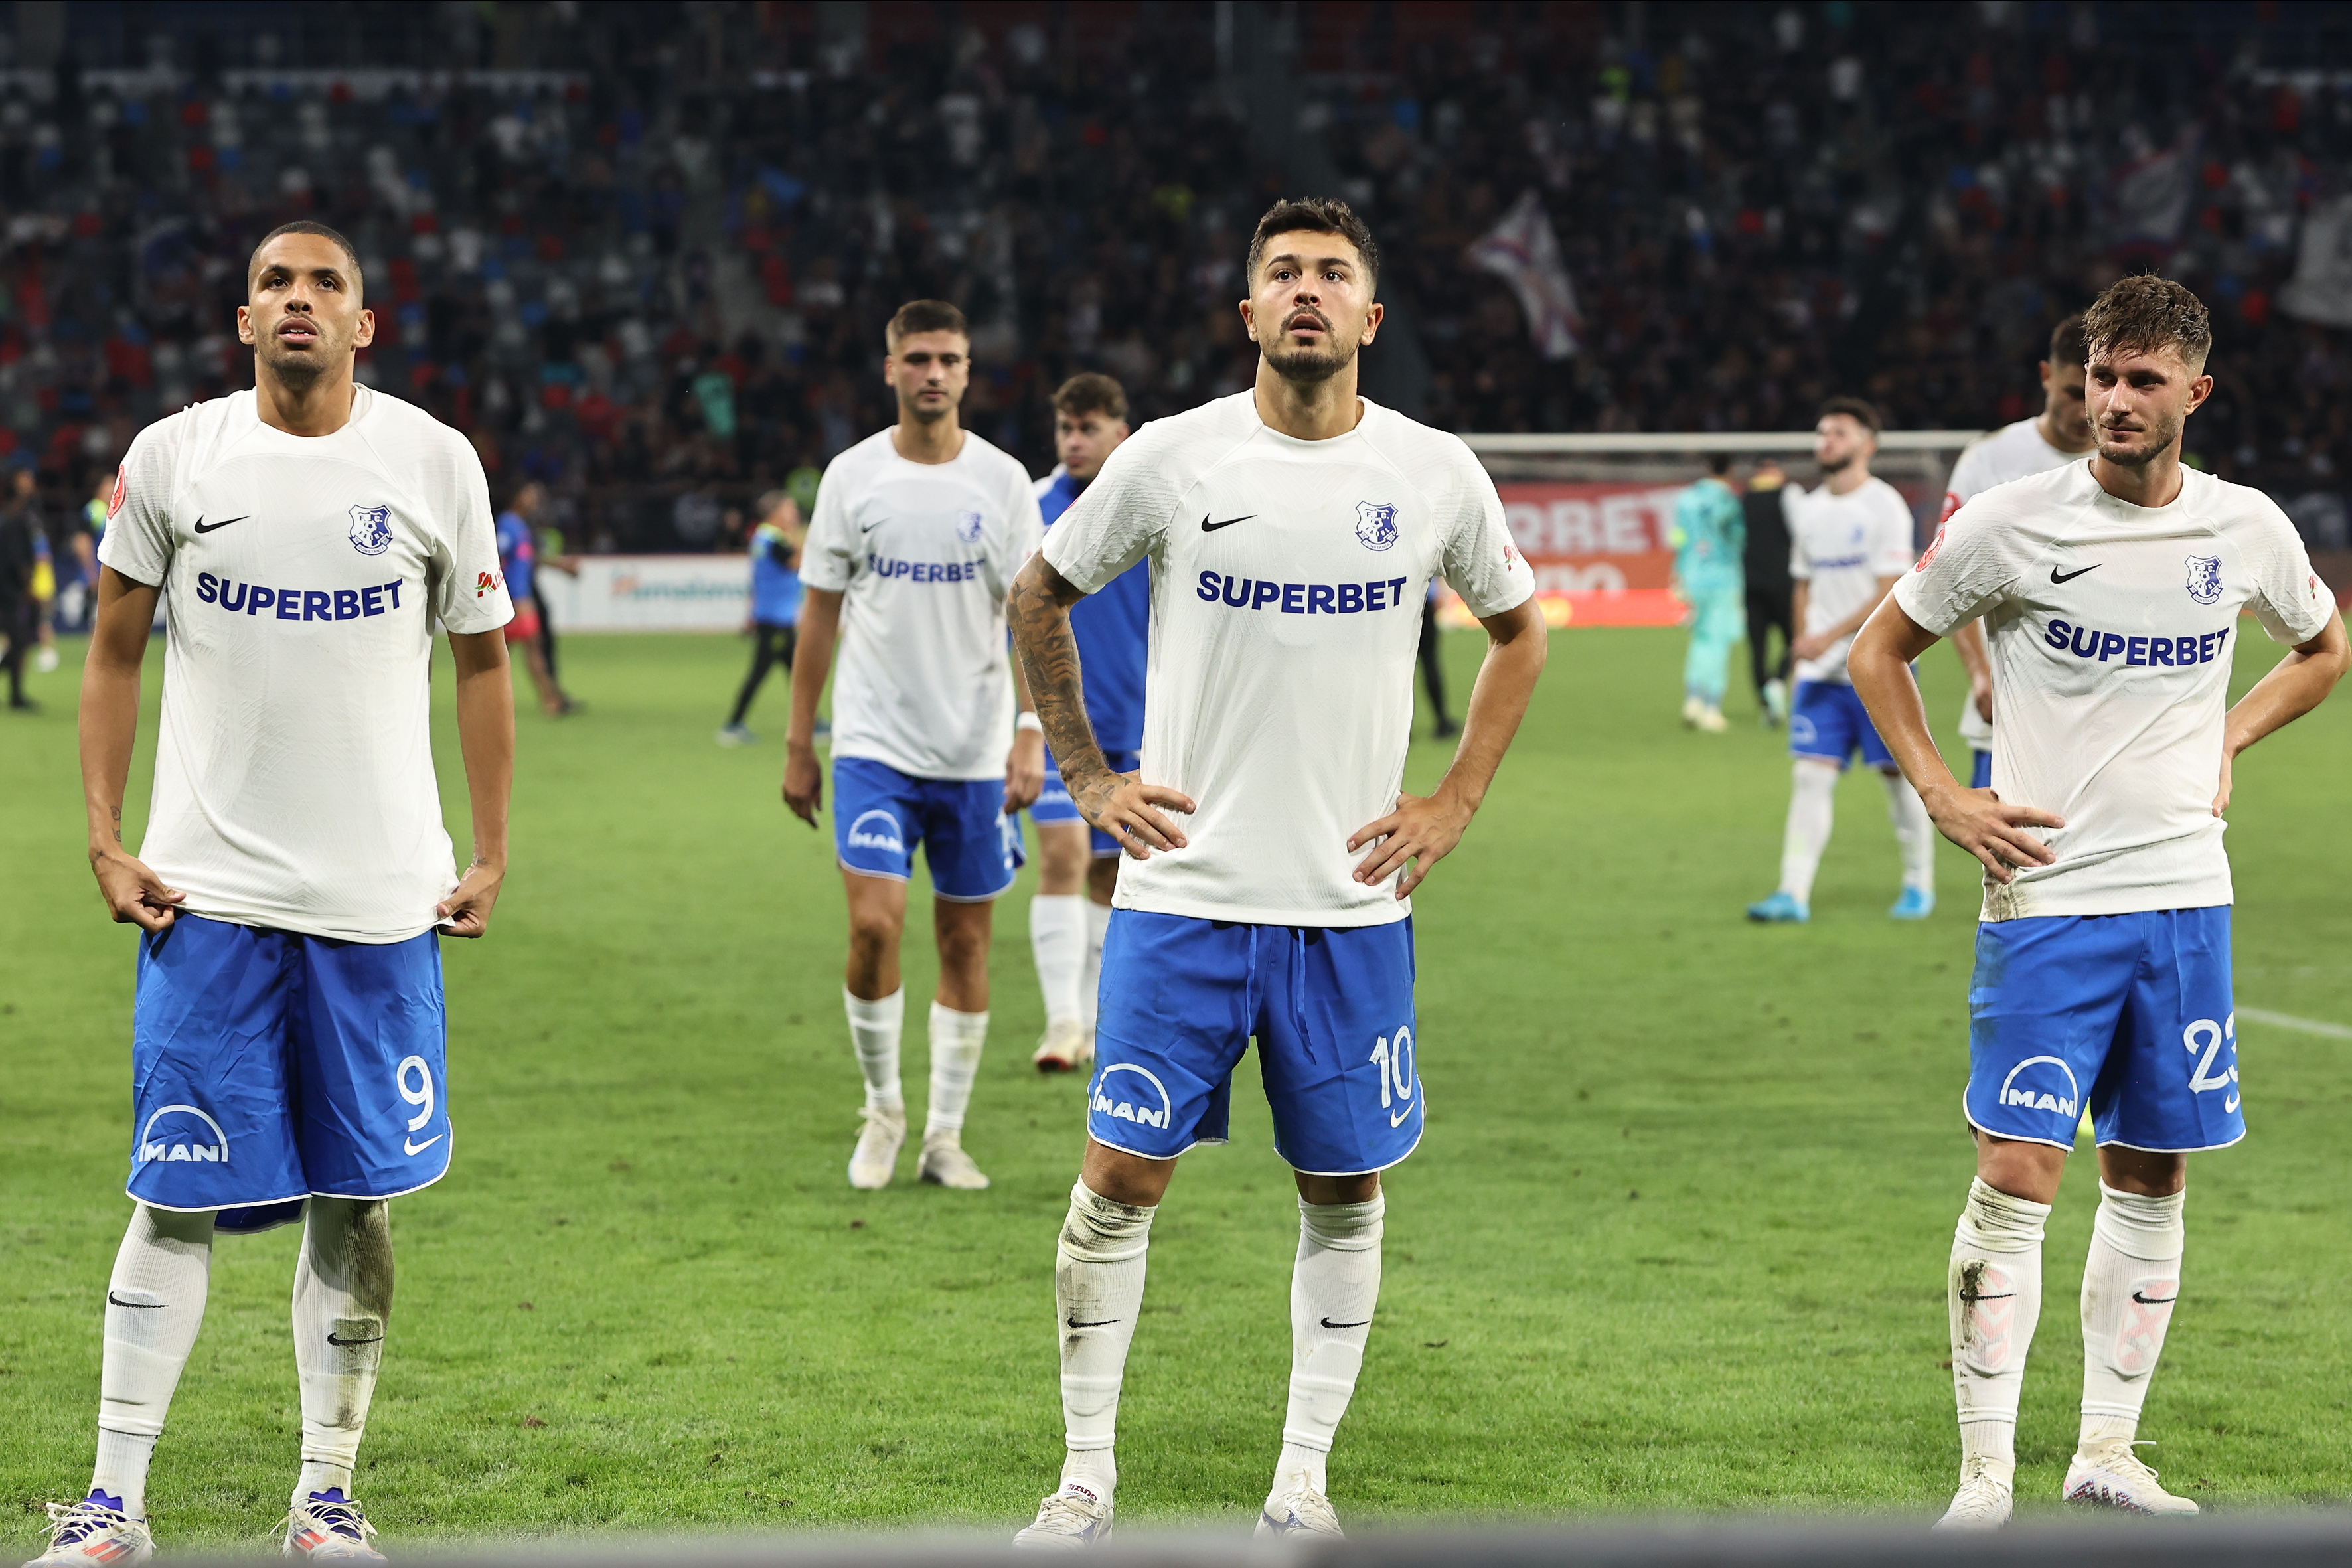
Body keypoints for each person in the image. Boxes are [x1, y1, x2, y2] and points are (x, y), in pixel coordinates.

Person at [1003, 196, 1545, 1547]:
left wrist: (1454, 799)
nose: (1305, 292)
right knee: (1116, 1182)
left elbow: (1521, 633)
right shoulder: (1173, 456)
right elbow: (1039, 594)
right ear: (1246, 313)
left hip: (1348, 906)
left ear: (1370, 318)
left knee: (1344, 1187)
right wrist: (1084, 774)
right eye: (1281, 275)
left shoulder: (1432, 473)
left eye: (1331, 276)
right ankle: (1082, 1476)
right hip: (1183, 894)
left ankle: (1301, 1476)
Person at [32, 220, 515, 1567]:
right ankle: (112, 1501)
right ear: (243, 320)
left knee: (354, 1200)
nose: (298, 300)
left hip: (378, 902)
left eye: (325, 285)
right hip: (208, 895)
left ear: (365, 323)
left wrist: (487, 849)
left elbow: (483, 661)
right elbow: (113, 648)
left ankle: (325, 1494)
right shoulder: (176, 456)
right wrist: (102, 832)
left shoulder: (434, 461)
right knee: (171, 1191)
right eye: (273, 284)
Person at [1849, 274, 2346, 1530]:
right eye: (2097, 379)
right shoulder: (2012, 523)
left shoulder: (2242, 528)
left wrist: (2230, 735)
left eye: (2139, 380)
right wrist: (1942, 797)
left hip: (2185, 898)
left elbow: (2322, 644)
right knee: (2017, 1171)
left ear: (2194, 389)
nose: (2112, 401)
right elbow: (1876, 652)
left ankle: (2106, 1453)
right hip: (2048, 900)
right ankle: (1980, 1479)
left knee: (2150, 1177)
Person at [781, 299, 1046, 1193]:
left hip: (972, 752)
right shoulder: (852, 478)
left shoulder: (1004, 482)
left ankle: (943, 1134)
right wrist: (797, 739)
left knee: (966, 944)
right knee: (871, 925)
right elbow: (817, 612)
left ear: (968, 372)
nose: (933, 373)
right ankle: (882, 1107)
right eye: (918, 358)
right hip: (871, 746)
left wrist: (1027, 731)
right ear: (889, 368)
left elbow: (1031, 617)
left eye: (948, 359)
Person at [1745, 398, 1935, 923]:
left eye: (1838, 433)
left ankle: (1918, 884)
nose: (1824, 440)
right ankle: (1792, 892)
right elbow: (1802, 580)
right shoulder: (1806, 508)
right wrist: (1804, 635)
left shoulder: (1884, 506)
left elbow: (1885, 590)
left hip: (1879, 667)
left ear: (1865, 445)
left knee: (1897, 780)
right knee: (1810, 777)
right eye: (1821, 432)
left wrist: (1825, 635)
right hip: (1819, 675)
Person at [1026, 374, 1137, 1073]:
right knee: (1063, 858)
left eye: (1089, 428)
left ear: (1120, 434)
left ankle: (1095, 1018)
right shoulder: (1034, 507)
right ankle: (1061, 1021)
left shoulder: (1151, 505)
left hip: (1140, 719)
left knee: (1111, 875)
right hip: (1057, 722)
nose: (1074, 440)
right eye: (1066, 427)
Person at [1939, 315, 2095, 789]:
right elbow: (1944, 579)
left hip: (2106, 719)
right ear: (2047, 376)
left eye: (2097, 392)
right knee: (2007, 860)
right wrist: (1979, 675)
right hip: (2009, 712)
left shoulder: (2135, 466)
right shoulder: (1990, 460)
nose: (2084, 410)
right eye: (2072, 393)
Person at [718, 489, 806, 745]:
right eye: (789, 509)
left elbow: (757, 578)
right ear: (775, 513)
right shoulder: (774, 540)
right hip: (775, 618)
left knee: (796, 671)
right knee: (761, 672)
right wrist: (807, 540)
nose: (794, 514)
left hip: (775, 615)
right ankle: (732, 725)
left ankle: (812, 722)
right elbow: (796, 562)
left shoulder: (764, 538)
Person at [1669, 452, 1746, 732]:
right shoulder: (1729, 500)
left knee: (1700, 638)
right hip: (1724, 577)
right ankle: (1712, 707)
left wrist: (1677, 574)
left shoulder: (1686, 499)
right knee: (1719, 641)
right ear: (1731, 470)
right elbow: (1738, 539)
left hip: (1692, 575)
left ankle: (1692, 699)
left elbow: (1678, 538)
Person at [495, 483, 573, 717]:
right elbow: (497, 557)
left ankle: (550, 698)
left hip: (522, 599)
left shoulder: (521, 526)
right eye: (529, 496)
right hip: (515, 600)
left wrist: (559, 564)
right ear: (517, 496)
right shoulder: (508, 524)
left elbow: (528, 560)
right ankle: (547, 699)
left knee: (529, 649)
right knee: (505, 653)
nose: (534, 501)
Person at [1743, 457, 1794, 726]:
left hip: (1751, 582)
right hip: (1782, 582)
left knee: (1757, 648)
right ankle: (1777, 681)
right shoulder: (1787, 496)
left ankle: (1765, 704)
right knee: (1796, 639)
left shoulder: (1744, 500)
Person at [1, 467, 39, 710]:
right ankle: (16, 697)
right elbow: (17, 558)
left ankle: (16, 695)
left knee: (19, 640)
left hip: (10, 588)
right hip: (9, 590)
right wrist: (28, 587)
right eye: (26, 478)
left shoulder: (20, 514)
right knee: (19, 639)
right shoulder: (15, 516)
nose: (31, 482)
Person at [1417, 580, 1459, 738]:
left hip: (1402, 601)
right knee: (1430, 660)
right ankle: (1442, 721)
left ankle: (1399, 728)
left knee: (1399, 664)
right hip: (1426, 599)